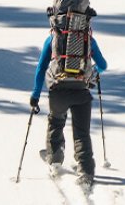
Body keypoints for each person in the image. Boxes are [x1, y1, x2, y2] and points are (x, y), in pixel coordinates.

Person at [29, 32, 107, 188]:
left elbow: (41, 68)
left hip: (58, 91)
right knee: (82, 132)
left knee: (56, 122)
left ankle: (55, 159)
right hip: (81, 91)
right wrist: (92, 74)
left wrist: (35, 95)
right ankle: (85, 171)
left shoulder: (52, 38)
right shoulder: (88, 38)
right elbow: (103, 65)